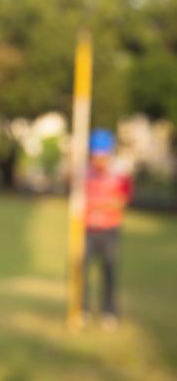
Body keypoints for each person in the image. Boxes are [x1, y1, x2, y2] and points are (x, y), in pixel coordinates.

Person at [82, 128, 132, 330]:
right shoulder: (84, 174)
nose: (98, 160)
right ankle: (82, 309)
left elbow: (120, 202)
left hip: (110, 229)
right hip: (87, 230)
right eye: (95, 156)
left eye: (102, 155)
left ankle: (109, 312)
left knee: (109, 270)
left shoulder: (120, 175)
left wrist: (98, 206)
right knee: (82, 270)